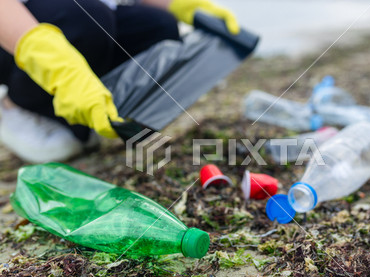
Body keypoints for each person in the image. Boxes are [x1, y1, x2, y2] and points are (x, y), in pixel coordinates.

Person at [0, 0, 239, 163]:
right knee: (87, 20)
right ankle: (15, 106)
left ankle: (95, 108)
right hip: (12, 30)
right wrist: (61, 70)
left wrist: (185, 6)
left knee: (160, 26)